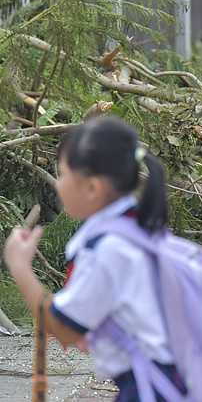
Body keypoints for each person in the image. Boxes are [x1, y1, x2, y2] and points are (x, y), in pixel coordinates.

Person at [3, 117, 187, 400]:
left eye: (62, 174)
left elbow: (63, 328)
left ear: (92, 188)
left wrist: (19, 267)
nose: (59, 185)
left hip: (150, 389)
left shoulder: (108, 248)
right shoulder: (139, 230)